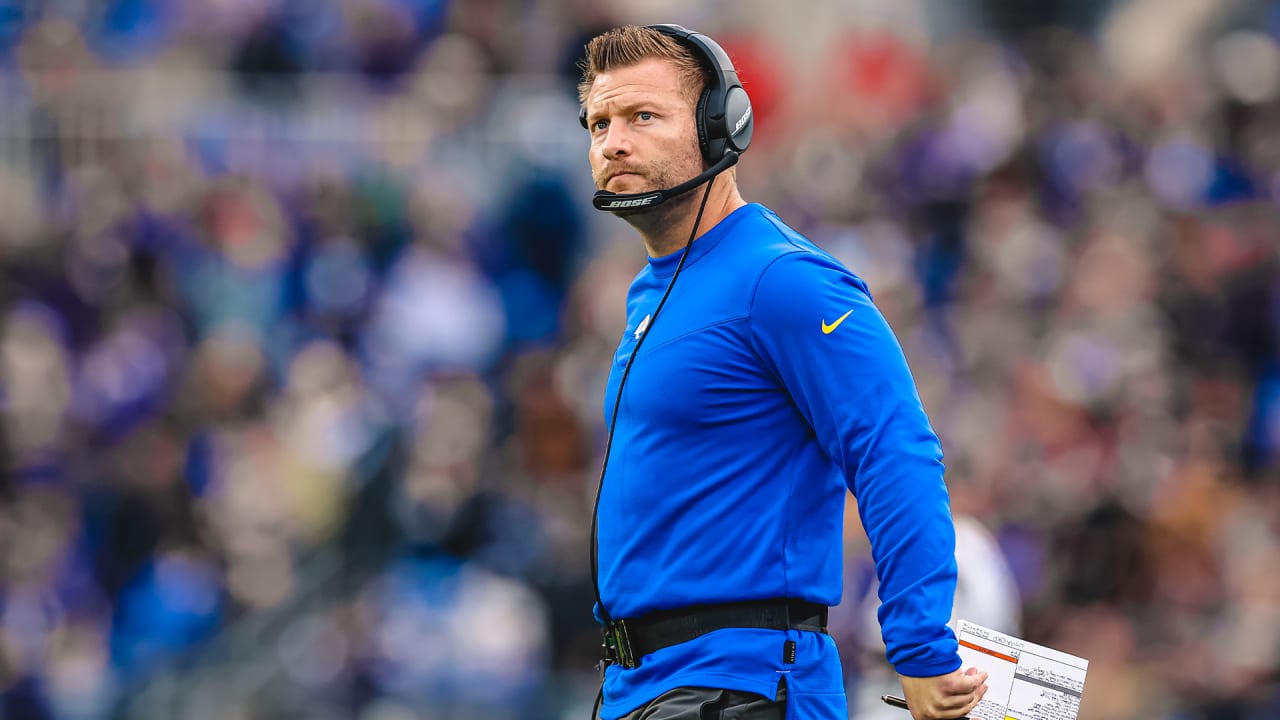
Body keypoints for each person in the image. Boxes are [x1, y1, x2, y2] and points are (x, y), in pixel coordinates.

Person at [578, 24, 988, 720]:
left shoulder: (783, 280)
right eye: (599, 122)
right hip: (648, 691)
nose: (613, 140)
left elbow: (894, 446)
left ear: (721, 126)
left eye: (643, 116)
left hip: (737, 690)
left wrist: (919, 648)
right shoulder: (654, 291)